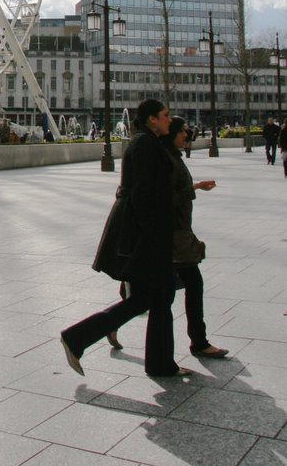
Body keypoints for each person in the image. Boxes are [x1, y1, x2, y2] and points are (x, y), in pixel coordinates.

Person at [60, 100, 192, 379]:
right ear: (152, 120)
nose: (170, 121)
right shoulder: (146, 147)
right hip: (148, 237)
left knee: (149, 299)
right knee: (156, 296)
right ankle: (78, 338)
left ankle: (157, 362)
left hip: (147, 235)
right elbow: (144, 196)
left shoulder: (146, 144)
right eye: (165, 116)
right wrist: (150, 238)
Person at [165, 116, 229, 358]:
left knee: (148, 296)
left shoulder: (173, 156)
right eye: (183, 131)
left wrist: (196, 187)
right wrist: (192, 190)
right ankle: (199, 342)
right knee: (192, 284)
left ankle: (110, 324)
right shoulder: (168, 160)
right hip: (175, 234)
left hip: (178, 232)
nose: (187, 135)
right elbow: (167, 198)